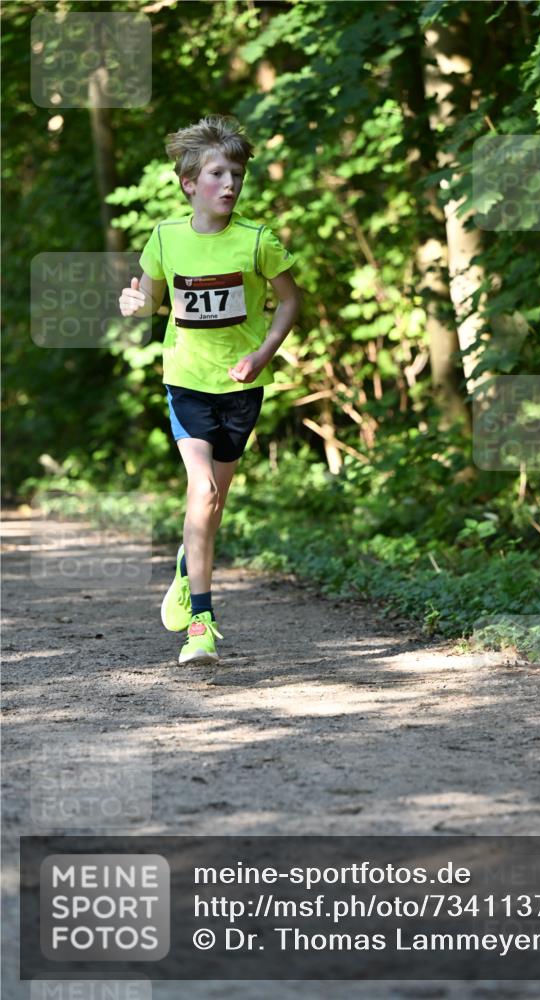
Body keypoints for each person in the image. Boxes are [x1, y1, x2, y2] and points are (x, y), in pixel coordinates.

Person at [118, 114, 301, 665]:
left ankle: (184, 564)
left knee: (214, 502)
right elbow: (152, 300)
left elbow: (290, 301)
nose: (230, 184)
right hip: (187, 383)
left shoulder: (256, 240)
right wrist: (136, 304)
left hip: (242, 386)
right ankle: (202, 624)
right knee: (201, 492)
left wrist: (262, 353)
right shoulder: (165, 238)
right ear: (189, 184)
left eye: (237, 174)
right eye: (217, 174)